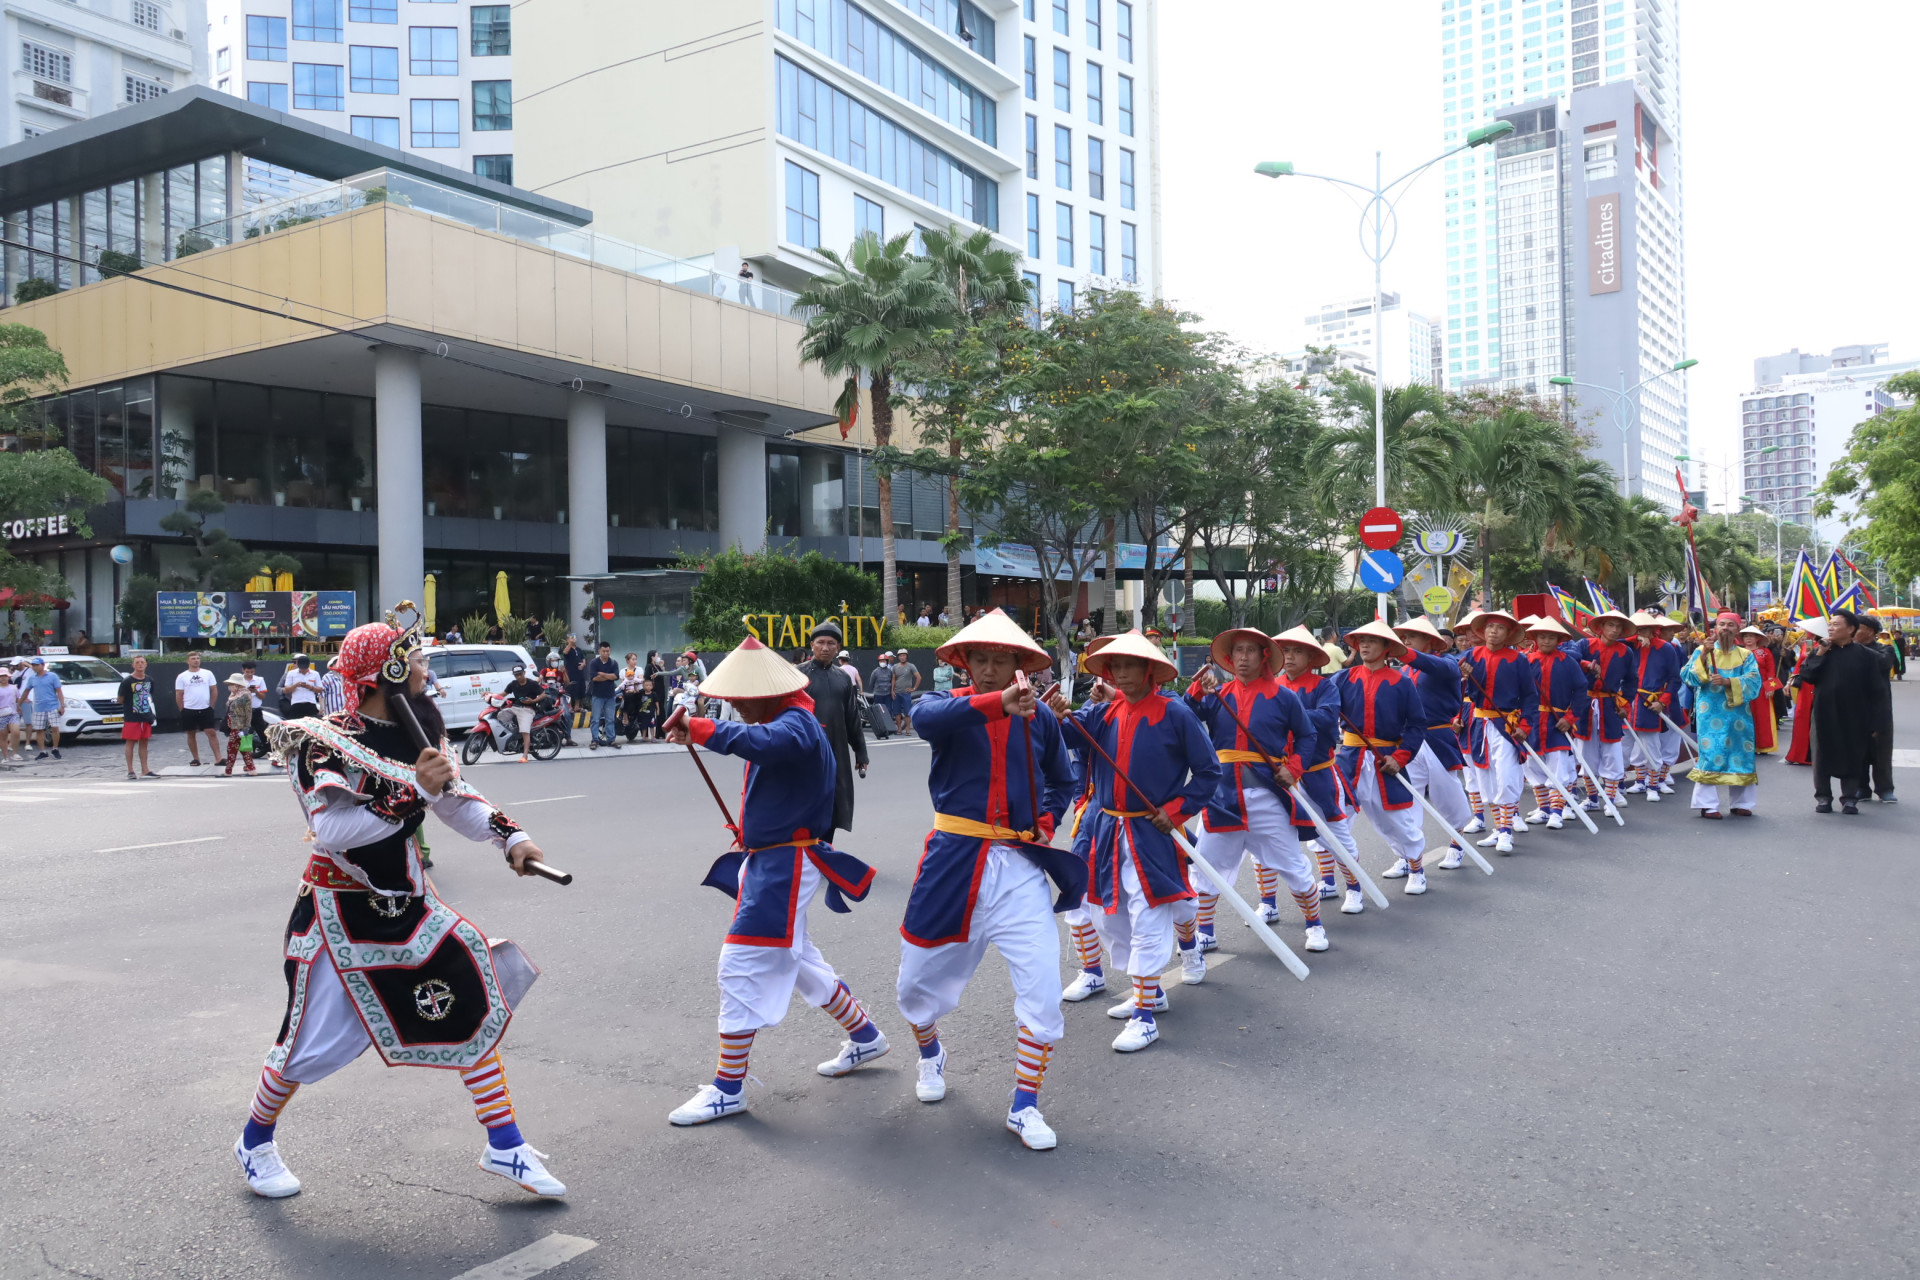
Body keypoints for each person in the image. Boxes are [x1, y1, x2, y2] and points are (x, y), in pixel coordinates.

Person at [233, 609, 564, 1200]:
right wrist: (416, 788)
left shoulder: (421, 733)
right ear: (383, 670)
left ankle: (506, 1146)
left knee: (471, 999)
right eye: (411, 659)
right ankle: (255, 1142)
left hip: (409, 905)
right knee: (306, 1044)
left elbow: (456, 802)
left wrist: (511, 839)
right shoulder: (324, 740)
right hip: (338, 916)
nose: (421, 667)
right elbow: (333, 831)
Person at [661, 637, 883, 1127]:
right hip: (776, 857)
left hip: (786, 863)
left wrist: (700, 726)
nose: (736, 705)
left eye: (741, 697)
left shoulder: (797, 723)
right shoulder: (789, 718)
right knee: (799, 959)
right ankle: (866, 1037)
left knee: (740, 964)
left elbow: (766, 744)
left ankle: (727, 1087)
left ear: (765, 693)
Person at [899, 610, 1078, 1150]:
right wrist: (997, 704)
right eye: (981, 658)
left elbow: (1062, 782)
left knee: (1044, 986)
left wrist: (1044, 823)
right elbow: (924, 720)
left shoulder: (1041, 719)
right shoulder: (944, 707)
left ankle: (1025, 1105)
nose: (992, 668)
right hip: (953, 861)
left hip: (1020, 868)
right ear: (965, 662)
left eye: (1003, 660)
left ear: (1020, 664)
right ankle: (931, 1052)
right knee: (914, 986)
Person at [1045, 630, 1219, 1054]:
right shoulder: (1104, 713)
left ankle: (1144, 1016)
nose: (1121, 674)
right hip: (1107, 831)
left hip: (1151, 833)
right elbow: (1070, 738)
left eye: (1129, 665)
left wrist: (1176, 810)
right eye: (1115, 666)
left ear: (1149, 670)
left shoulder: (1175, 713)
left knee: (1148, 915)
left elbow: (1209, 773)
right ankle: (1151, 992)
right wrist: (1058, 715)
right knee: (1109, 914)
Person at [1183, 626, 1328, 958]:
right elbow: (1184, 716)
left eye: (1250, 651)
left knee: (1292, 863)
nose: (1242, 657)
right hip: (1222, 796)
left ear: (1264, 657)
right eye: (1237, 651)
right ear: (1229, 658)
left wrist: (1293, 768)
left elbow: (1307, 737)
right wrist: (1195, 691)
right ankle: (1205, 933)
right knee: (1206, 865)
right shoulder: (1218, 694)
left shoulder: (1283, 697)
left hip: (1268, 793)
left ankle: (1314, 923)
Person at [1329, 620, 1431, 893]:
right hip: (1349, 759)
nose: (1364, 645)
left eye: (1372, 641)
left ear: (1387, 647)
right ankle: (1330, 881)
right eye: (1361, 640)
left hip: (1386, 760)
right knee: (1335, 818)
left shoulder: (1402, 682)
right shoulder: (1342, 679)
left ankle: (1416, 869)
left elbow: (1417, 725)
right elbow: (1321, 712)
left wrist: (1401, 757)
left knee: (1396, 820)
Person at [1269, 626, 1366, 905]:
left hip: (1318, 772)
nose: (1289, 656)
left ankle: (1355, 889)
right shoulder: (1273, 686)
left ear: (1312, 657)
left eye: (1297, 651)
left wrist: (1289, 712)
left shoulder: (1324, 686)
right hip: (1282, 775)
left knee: (1337, 834)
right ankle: (1269, 902)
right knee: (1270, 840)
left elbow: (1327, 719)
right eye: (1285, 651)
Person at [1391, 617, 1477, 867]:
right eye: (1403, 636)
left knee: (1449, 796)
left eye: (1411, 636)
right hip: (1409, 742)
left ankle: (1457, 843)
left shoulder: (1448, 663)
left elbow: (1437, 668)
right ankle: (1408, 856)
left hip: (1437, 737)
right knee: (1408, 800)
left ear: (1429, 641)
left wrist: (1405, 653)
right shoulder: (1404, 669)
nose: (1405, 641)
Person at [1455, 608, 1540, 854]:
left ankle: (1506, 832)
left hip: (1506, 726)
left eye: (1500, 627)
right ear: (1483, 630)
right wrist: (1463, 678)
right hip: (1478, 725)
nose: (1494, 631)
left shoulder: (1518, 660)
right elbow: (1460, 694)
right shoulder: (1471, 656)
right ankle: (1499, 829)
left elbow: (1530, 697)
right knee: (1486, 779)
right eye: (1490, 626)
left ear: (1509, 633)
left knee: (1507, 776)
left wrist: (1525, 726)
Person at [1796, 609, 1885, 813]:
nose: (1830, 628)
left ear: (1851, 628)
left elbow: (1877, 691)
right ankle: (1823, 798)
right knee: (1821, 756)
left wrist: (1877, 722)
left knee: (1854, 755)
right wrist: (1820, 652)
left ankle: (1849, 798)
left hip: (1855, 715)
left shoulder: (1866, 656)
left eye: (1836, 624)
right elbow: (1807, 675)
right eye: (1830, 624)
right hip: (1824, 713)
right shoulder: (1821, 651)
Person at [1681, 611, 1763, 818]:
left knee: (1740, 754)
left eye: (1730, 625)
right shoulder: (1702, 649)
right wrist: (1703, 655)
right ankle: (1708, 805)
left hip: (1738, 715)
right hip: (1710, 713)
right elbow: (1688, 677)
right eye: (1722, 624)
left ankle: (1742, 803)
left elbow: (1754, 682)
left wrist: (1729, 682)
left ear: (1737, 630)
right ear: (1715, 628)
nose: (1725, 628)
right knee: (1711, 754)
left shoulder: (1746, 655)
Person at [795, 621, 869, 841]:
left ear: (837, 648)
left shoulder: (844, 678)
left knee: (834, 800)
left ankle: (825, 849)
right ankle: (804, 852)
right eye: (821, 643)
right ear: (812, 645)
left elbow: (852, 717)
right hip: (805, 750)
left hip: (836, 749)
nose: (825, 648)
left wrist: (861, 752)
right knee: (805, 801)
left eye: (831, 643)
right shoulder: (798, 676)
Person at [1566, 610, 1640, 812]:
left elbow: (1632, 680)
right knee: (1585, 752)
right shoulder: (1584, 645)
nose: (1614, 630)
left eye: (1618, 627)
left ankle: (1610, 798)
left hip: (1610, 705)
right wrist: (1586, 664)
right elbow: (1568, 657)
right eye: (1610, 625)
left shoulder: (1626, 652)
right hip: (1586, 704)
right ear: (1601, 627)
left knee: (1612, 753)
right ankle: (1592, 798)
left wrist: (1624, 703)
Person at [1521, 616, 1588, 827]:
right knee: (1532, 767)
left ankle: (1557, 813)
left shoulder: (1568, 662)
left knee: (1557, 766)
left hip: (1556, 722)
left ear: (1559, 639)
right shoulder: (1526, 661)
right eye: (1542, 637)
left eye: (1551, 637)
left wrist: (1570, 718)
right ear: (1535, 638)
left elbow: (1581, 691)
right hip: (1530, 722)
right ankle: (1543, 809)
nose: (1547, 641)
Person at [1625, 614, 1684, 798]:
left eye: (1646, 628)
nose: (1642, 632)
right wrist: (1634, 638)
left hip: (1653, 701)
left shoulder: (1666, 648)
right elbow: (1612, 640)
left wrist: (1663, 701)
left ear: (1654, 629)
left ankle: (1654, 785)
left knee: (1652, 744)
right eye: (1638, 628)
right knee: (1632, 744)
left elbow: (1675, 680)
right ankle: (1640, 781)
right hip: (1629, 702)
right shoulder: (1628, 646)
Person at [1854, 616, 1897, 802]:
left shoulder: (1884, 649)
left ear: (1871, 632)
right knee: (1858, 751)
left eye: (1858, 628)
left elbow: (1884, 663)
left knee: (1881, 751)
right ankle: (1861, 788)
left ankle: (1884, 788)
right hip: (1855, 707)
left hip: (1879, 708)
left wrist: (1857, 648)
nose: (1854, 632)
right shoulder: (1849, 651)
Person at [1737, 625, 1782, 756]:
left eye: (1751, 636)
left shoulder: (1765, 652)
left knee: (1762, 716)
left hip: (1762, 689)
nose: (1748, 638)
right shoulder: (1738, 652)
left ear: (1757, 638)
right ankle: (1746, 744)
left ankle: (1763, 745)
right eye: (1745, 636)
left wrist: (1771, 688)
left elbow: (1771, 671)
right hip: (1744, 687)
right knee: (1745, 716)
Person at [175, 651, 224, 767]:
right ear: (188, 661)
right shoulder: (182, 676)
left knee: (211, 732)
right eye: (193, 658)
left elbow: (214, 689)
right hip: (189, 708)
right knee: (191, 733)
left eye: (197, 658)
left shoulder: (208, 673)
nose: (196, 660)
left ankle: (218, 758)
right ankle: (195, 758)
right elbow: (179, 694)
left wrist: (211, 705)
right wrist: (182, 709)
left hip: (205, 708)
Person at [117, 655, 159, 778]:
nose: (140, 664)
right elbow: (120, 699)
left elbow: (149, 695)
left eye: (142, 662)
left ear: (146, 664)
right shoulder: (127, 681)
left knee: (144, 742)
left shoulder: (149, 680)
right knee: (130, 742)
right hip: (132, 716)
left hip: (145, 715)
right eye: (137, 662)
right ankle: (130, 770)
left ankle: (145, 769)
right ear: (133, 665)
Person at [1784, 625, 1820, 766]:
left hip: (1819, 684)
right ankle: (1799, 754)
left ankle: (1816, 755)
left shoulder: (1829, 645)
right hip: (1805, 686)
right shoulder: (1807, 644)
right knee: (1801, 717)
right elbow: (1799, 664)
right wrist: (1790, 681)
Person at [20, 654, 66, 760]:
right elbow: (26, 691)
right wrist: (20, 703)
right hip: (38, 707)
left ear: (42, 665)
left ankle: (55, 748)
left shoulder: (52, 676)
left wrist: (62, 705)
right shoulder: (32, 678)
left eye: (37, 665)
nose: (35, 667)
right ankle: (42, 751)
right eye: (34, 665)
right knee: (39, 729)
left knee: (55, 727)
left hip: (52, 706)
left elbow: (59, 691)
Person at [501, 662, 543, 762]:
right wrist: (489, 695)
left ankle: (525, 756)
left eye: (520, 674)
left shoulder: (532, 684)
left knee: (525, 731)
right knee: (499, 717)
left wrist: (533, 701)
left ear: (524, 673)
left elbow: (543, 694)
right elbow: (502, 694)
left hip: (528, 710)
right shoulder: (513, 684)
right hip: (515, 708)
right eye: (516, 675)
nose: (519, 677)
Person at [221, 673, 259, 776]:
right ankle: (251, 769)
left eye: (231, 684)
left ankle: (228, 771)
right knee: (243, 749)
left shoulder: (245, 695)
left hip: (240, 726)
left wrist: (247, 726)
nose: (229, 686)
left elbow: (248, 712)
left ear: (237, 684)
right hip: (233, 725)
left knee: (231, 748)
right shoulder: (233, 695)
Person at [586, 640, 621, 749]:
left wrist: (603, 674)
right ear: (599, 651)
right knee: (595, 719)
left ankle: (611, 740)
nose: (606, 653)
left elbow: (615, 676)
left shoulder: (613, 663)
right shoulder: (594, 663)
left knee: (610, 719)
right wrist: (608, 676)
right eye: (604, 651)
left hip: (610, 695)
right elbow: (594, 678)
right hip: (597, 695)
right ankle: (595, 740)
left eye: (608, 651)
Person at [279, 654, 324, 720]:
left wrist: (310, 687)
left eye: (305, 668)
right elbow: (287, 689)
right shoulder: (291, 673)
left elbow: (320, 689)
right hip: (296, 703)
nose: (303, 670)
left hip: (310, 703)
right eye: (301, 668)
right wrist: (296, 685)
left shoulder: (315, 674)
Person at [618, 652, 649, 740]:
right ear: (628, 661)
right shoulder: (623, 671)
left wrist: (633, 683)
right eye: (633, 659)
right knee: (626, 696)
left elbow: (641, 680)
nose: (635, 661)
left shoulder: (639, 669)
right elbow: (623, 683)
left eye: (636, 659)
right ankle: (625, 716)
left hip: (638, 691)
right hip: (628, 691)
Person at [892, 650, 921, 731]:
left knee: (907, 712)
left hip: (906, 693)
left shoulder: (911, 666)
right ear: (898, 657)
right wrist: (892, 690)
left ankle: (908, 728)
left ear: (907, 656)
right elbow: (893, 679)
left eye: (904, 655)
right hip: (896, 692)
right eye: (900, 656)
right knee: (897, 712)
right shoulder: (895, 666)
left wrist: (914, 688)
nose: (902, 657)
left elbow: (919, 677)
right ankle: (899, 728)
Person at [0, 665, 20, 765]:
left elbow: (18, 699)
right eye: (1, 676)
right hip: (1, 715)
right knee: (3, 737)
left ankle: (14, 753)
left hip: (13, 713)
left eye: (5, 676)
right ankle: (5, 756)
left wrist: (19, 708)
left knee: (15, 732)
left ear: (8, 677)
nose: (3, 678)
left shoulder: (13, 688)